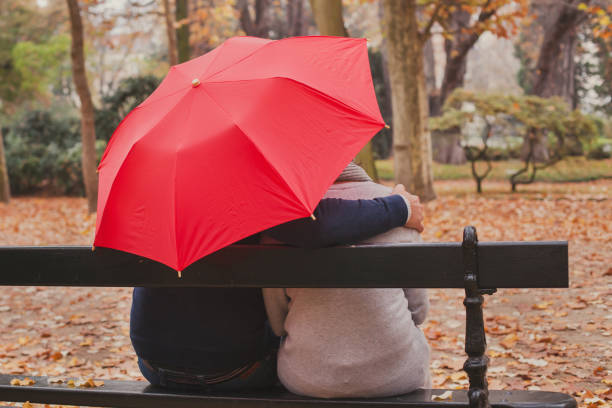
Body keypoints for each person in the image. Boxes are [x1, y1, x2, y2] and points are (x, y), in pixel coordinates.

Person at [131, 180, 424, 391]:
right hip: (235, 371)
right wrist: (399, 207)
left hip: (153, 364)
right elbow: (314, 225)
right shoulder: (243, 185)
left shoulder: (159, 187)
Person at [263, 162, 431, 398]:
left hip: (306, 377)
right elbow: (418, 311)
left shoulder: (282, 222)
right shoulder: (403, 209)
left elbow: (278, 321)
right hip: (396, 375)